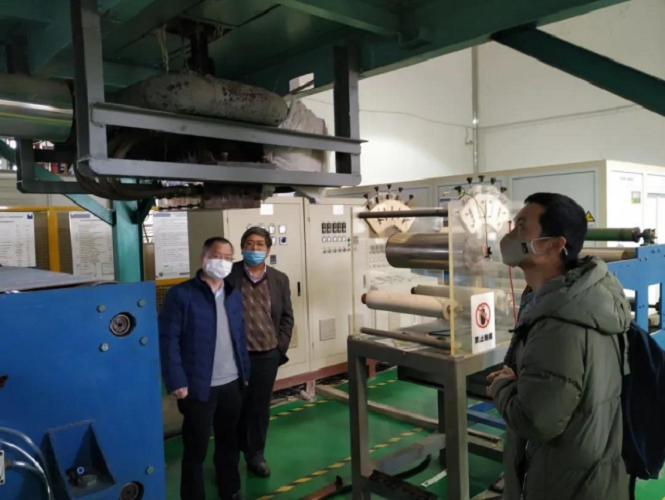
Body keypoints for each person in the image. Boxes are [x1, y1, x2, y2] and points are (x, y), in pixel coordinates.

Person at [488, 193, 630, 500]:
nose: (509, 236)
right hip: (586, 475)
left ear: (553, 246)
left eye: (521, 227)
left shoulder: (559, 324)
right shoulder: (569, 301)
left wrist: (502, 386)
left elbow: (536, 422)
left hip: (565, 486)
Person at [159, 237, 249, 500]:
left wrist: (245, 373)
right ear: (203, 258)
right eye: (217, 256)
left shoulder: (233, 293)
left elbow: (239, 335)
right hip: (198, 386)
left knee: (229, 441)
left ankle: (230, 490)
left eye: (228, 258)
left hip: (232, 382)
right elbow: (168, 339)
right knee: (195, 448)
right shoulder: (181, 295)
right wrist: (176, 379)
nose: (222, 262)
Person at [226, 226, 294, 478]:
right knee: (232, 408)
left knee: (258, 409)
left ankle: (255, 456)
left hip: (266, 355)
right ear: (242, 247)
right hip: (234, 356)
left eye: (260, 244)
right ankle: (229, 458)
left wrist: (279, 347)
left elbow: (286, 316)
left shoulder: (279, 279)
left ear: (268, 249)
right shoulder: (228, 275)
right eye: (250, 244)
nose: (254, 248)